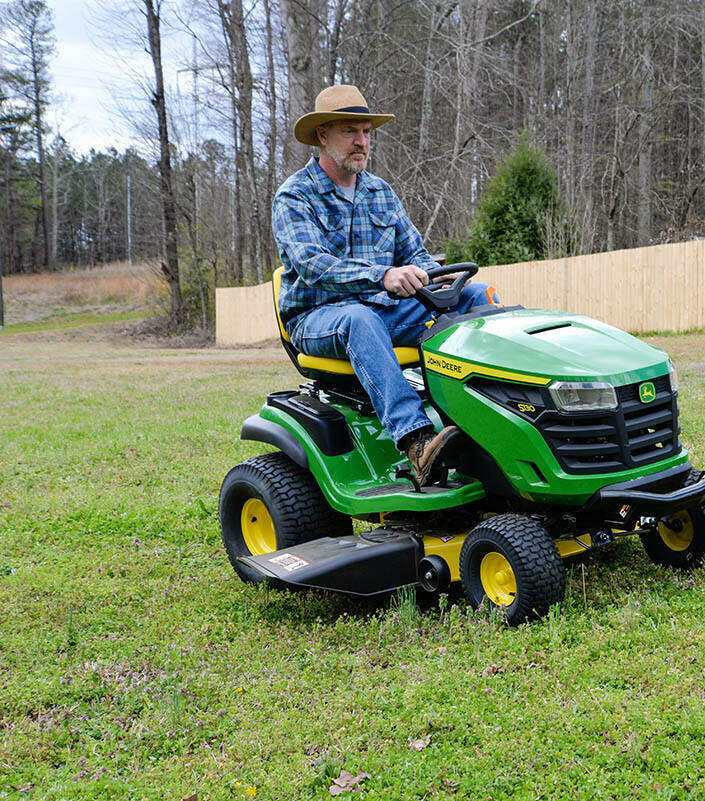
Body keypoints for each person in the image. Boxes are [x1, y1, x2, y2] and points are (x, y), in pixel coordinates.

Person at [272, 85, 500, 485]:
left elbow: (416, 253)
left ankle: (496, 415)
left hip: (384, 309)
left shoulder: (380, 192)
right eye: (349, 131)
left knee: (474, 297)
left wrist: (436, 275)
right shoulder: (295, 196)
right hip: (317, 316)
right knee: (359, 319)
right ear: (322, 135)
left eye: (366, 132)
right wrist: (382, 275)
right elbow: (311, 265)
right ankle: (416, 441)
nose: (361, 141)